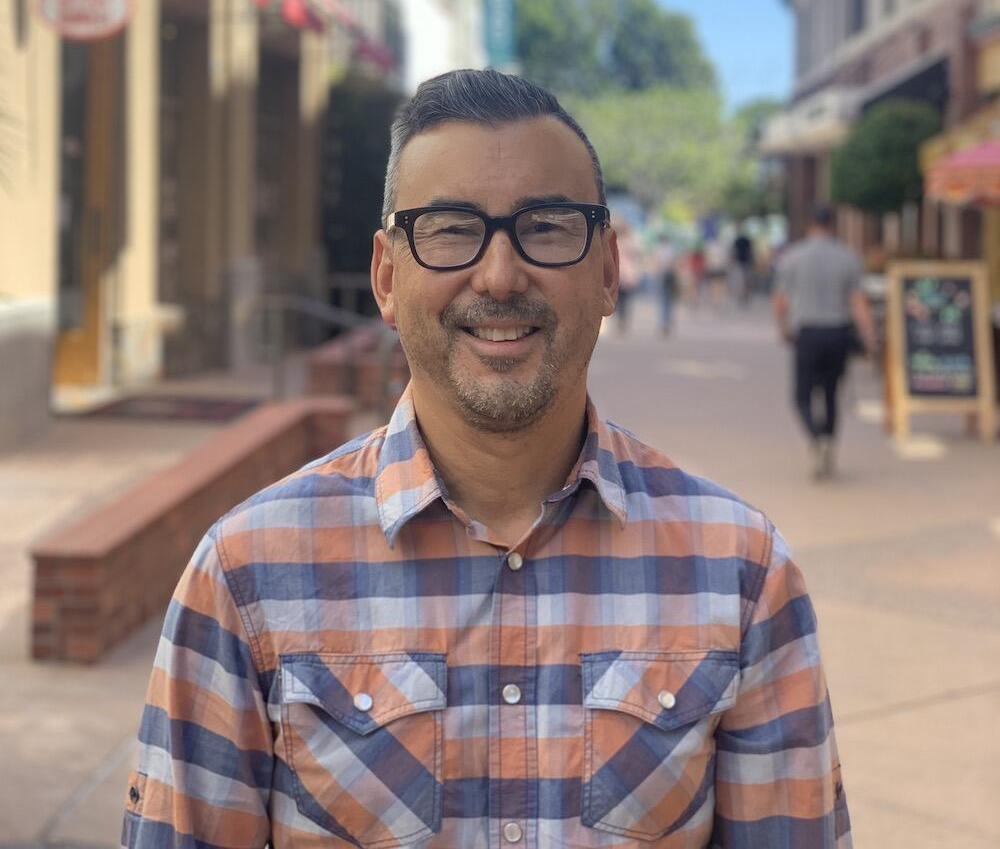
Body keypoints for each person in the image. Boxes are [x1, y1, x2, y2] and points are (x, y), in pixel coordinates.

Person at [123, 71, 851, 848]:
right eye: (448, 228)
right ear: (386, 278)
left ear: (607, 271)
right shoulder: (246, 573)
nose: (500, 277)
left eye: (545, 227)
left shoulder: (741, 570)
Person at [773, 204, 876, 480]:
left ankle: (815, 436)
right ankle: (828, 440)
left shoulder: (792, 256)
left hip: (806, 333)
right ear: (833, 224)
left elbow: (781, 300)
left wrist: (782, 328)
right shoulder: (848, 256)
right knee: (830, 393)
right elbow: (857, 301)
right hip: (837, 333)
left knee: (801, 395)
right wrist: (868, 336)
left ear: (810, 223)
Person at [731, 228, 755, 306]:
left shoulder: (740, 240)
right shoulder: (741, 240)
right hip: (743, 262)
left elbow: (734, 252)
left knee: (743, 281)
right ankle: (743, 296)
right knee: (744, 281)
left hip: (743, 262)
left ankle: (744, 296)